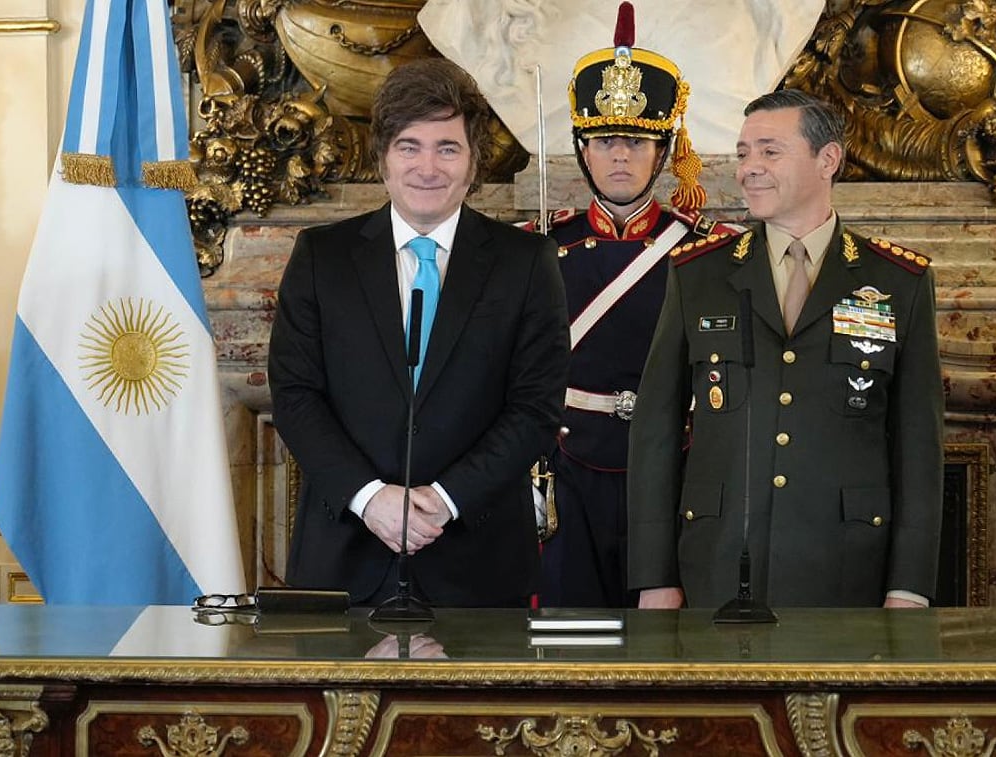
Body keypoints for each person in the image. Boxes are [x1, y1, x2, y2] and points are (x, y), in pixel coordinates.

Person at [268, 58, 570, 608]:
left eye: (447, 148)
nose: (428, 166)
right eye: (410, 146)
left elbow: (535, 407)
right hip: (345, 560)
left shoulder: (526, 263)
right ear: (383, 158)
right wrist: (370, 498)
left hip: (478, 563)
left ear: (473, 162)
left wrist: (444, 500)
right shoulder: (321, 258)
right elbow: (295, 396)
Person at [627, 89, 944, 609]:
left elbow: (918, 445)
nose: (749, 168)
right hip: (716, 563)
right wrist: (654, 576)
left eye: (770, 151)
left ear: (828, 159)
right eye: (743, 153)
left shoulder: (898, 281)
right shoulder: (698, 274)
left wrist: (909, 586)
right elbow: (655, 430)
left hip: (848, 566)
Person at [537, 2, 740, 608]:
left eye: (635, 140)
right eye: (603, 141)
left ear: (664, 152)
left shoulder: (711, 250)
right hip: (566, 473)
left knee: (663, 653)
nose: (619, 155)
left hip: (672, 472)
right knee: (568, 641)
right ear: (582, 150)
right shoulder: (535, 247)